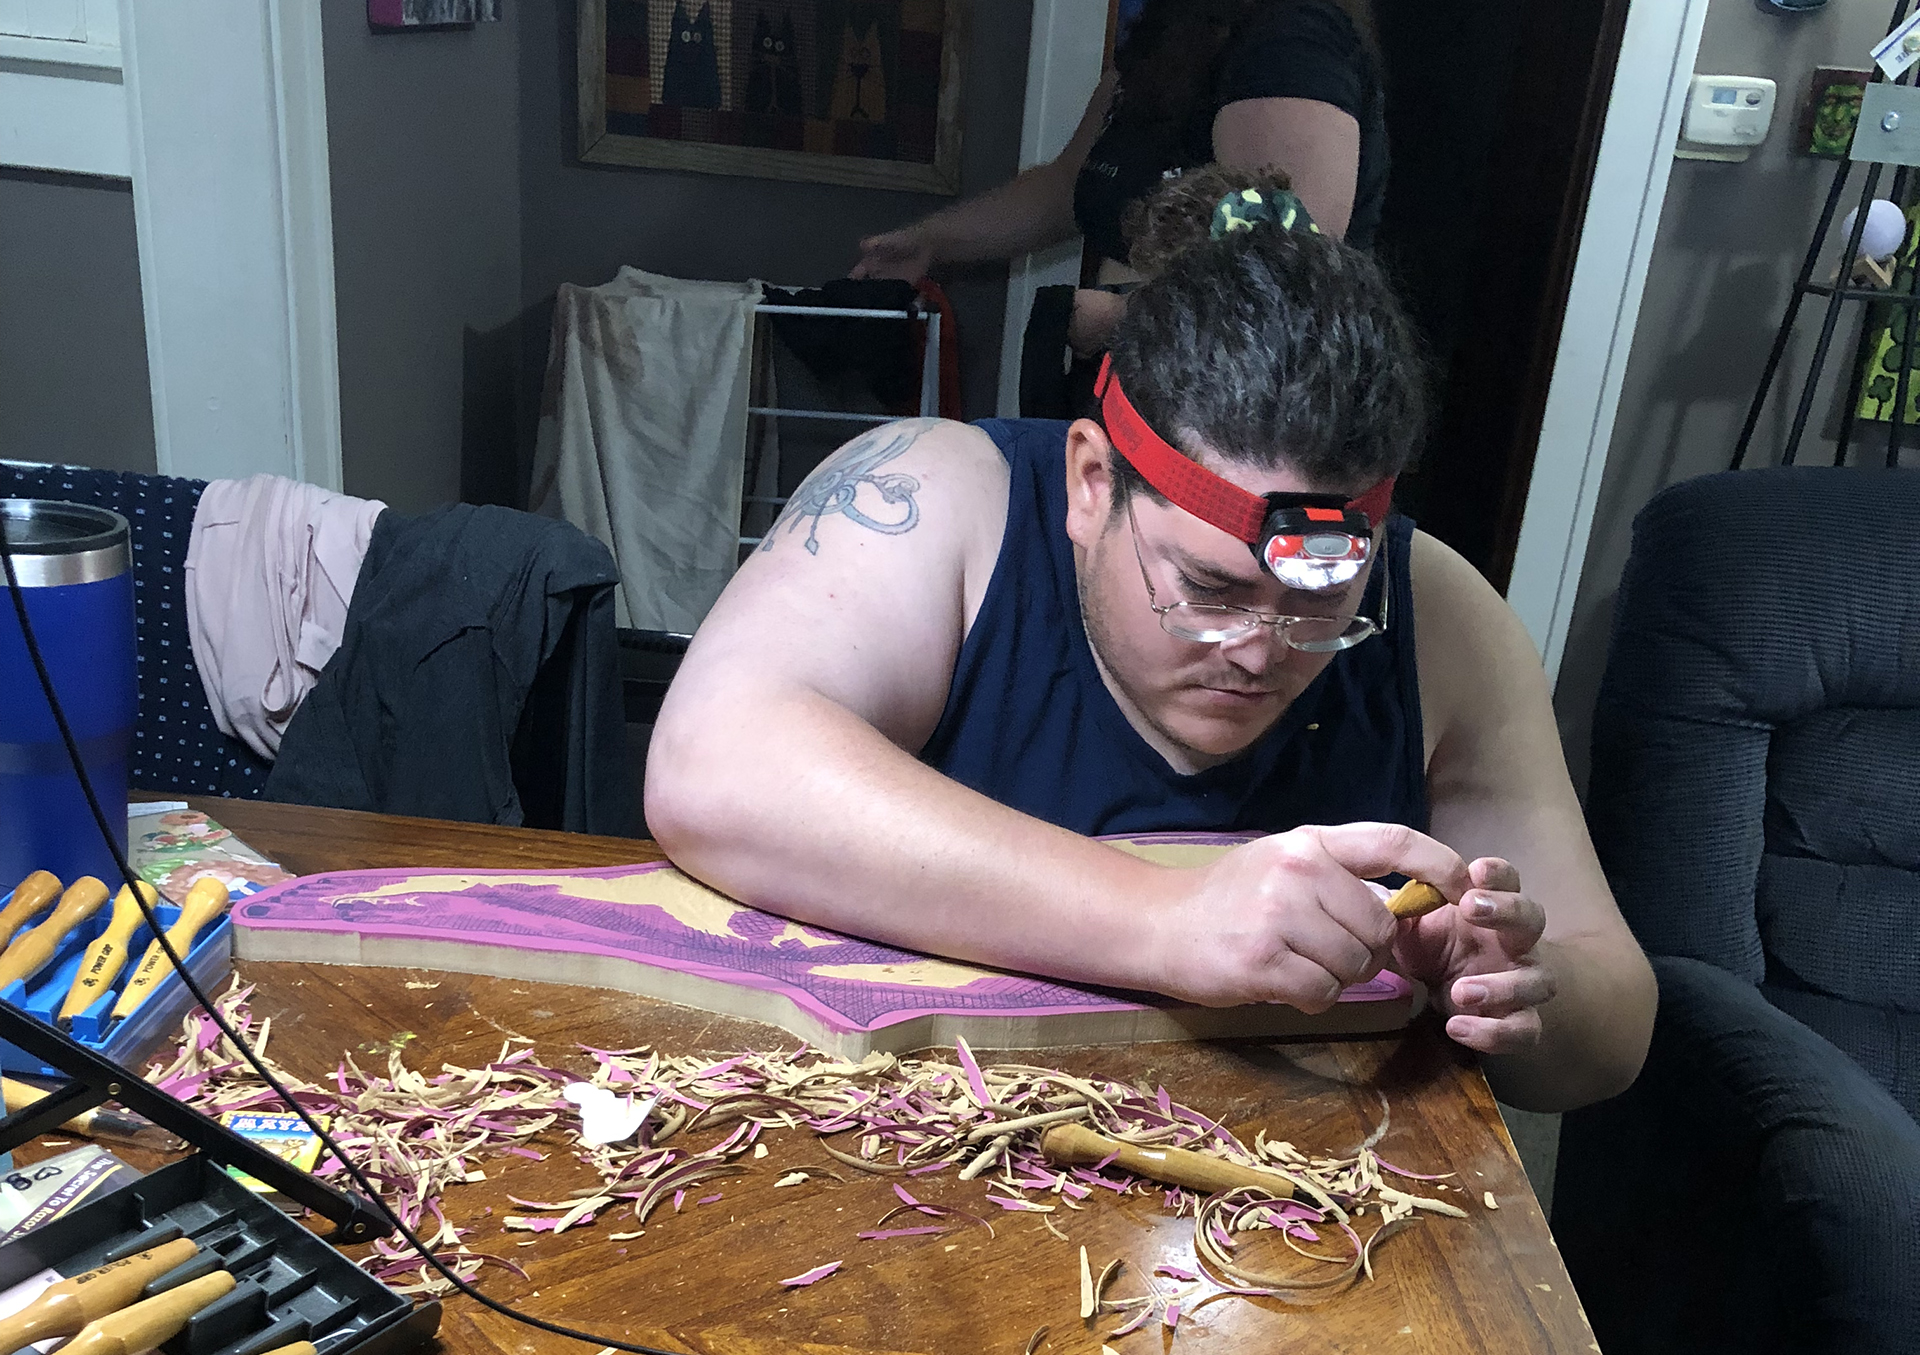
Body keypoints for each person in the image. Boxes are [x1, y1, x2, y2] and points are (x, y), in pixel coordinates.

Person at [647, 177, 1654, 1115]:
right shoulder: (941, 499)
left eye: (1321, 600)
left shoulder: (1444, 617)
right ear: (1092, 483)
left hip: (1293, 1206)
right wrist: (1169, 923)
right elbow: (712, 764)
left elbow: (1616, 1028)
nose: (1260, 651)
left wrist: (1521, 990)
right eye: (1208, 588)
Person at [850, 0, 1387, 367]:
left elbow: (1284, 278)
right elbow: (1068, 186)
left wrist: (1117, 318)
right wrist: (930, 243)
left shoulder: (1294, 44)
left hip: (1233, 430)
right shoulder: (1177, 30)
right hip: (1146, 396)